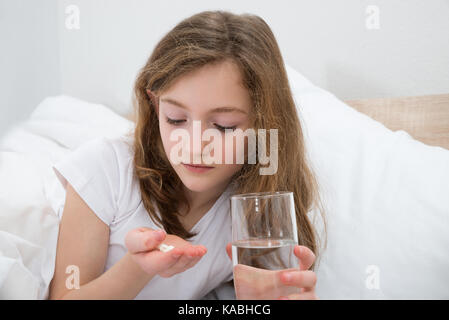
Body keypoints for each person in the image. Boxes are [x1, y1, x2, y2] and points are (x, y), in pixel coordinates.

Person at [48, 10, 325, 300]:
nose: (194, 145)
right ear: (155, 105)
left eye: (223, 126)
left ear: (263, 124)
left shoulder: (258, 213)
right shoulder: (105, 169)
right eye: (176, 119)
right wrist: (140, 266)